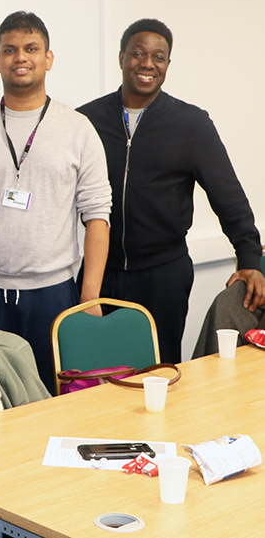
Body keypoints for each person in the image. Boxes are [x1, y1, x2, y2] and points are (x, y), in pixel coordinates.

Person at [0, 11, 112, 393]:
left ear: (48, 58)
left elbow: (98, 216)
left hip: (54, 295)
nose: (20, 57)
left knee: (53, 400)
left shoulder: (78, 130)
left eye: (31, 49)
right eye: (10, 50)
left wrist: (90, 295)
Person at [77, 18, 264, 364]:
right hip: (100, 272)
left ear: (167, 65)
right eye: (138, 54)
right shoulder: (85, 121)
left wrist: (250, 259)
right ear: (121, 58)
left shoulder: (191, 124)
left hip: (163, 274)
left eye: (158, 57)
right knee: (92, 372)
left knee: (159, 370)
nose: (148, 64)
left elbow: (229, 198)